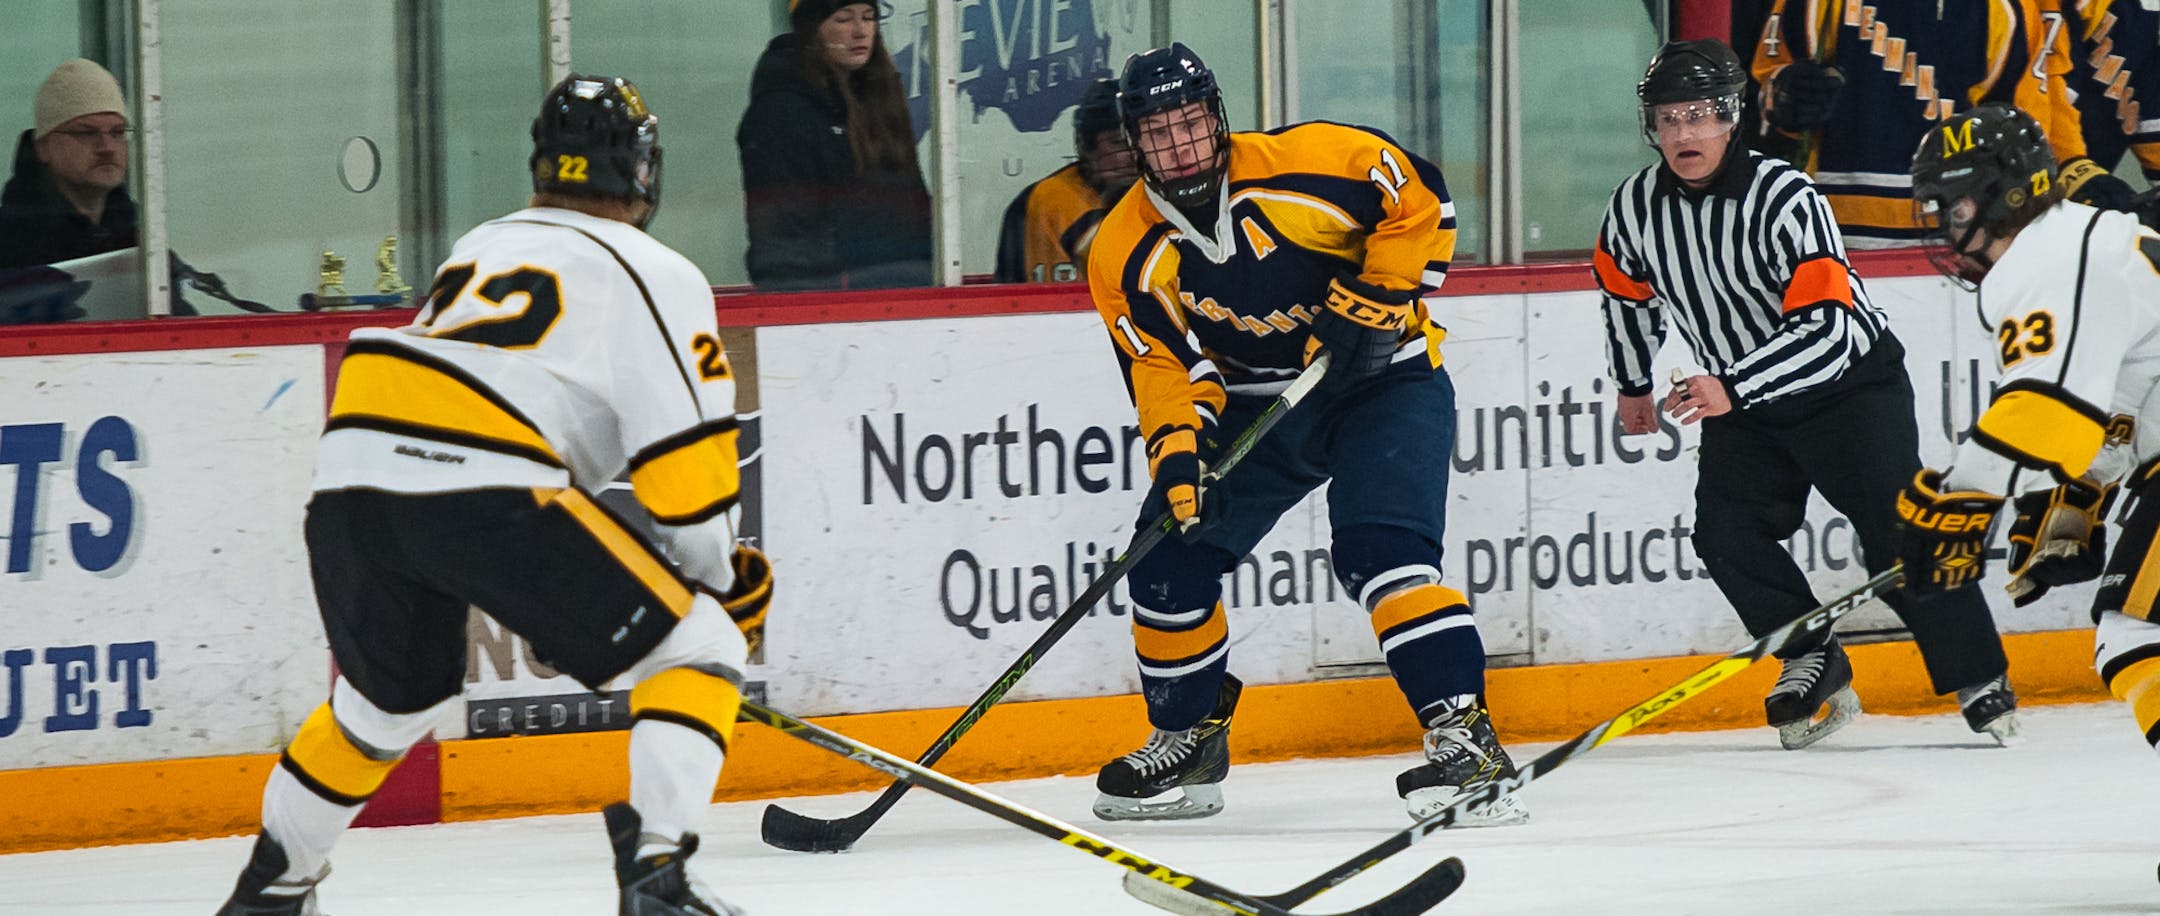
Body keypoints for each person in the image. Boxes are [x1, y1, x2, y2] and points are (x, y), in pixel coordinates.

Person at [215, 74, 770, 916]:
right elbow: (686, 480)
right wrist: (722, 587)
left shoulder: (482, 243)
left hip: (352, 476)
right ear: (645, 172)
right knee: (702, 651)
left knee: (381, 707)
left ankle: (273, 889)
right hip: (482, 479)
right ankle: (661, 878)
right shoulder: (654, 270)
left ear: (544, 164)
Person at [1084, 43, 1525, 827]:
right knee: (1164, 559)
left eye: (1190, 124)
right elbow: (1160, 368)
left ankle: (1466, 739)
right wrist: (1178, 457)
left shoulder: (1310, 162)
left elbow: (1419, 196)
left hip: (1384, 385)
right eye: (1159, 133)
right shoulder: (1124, 247)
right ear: (1134, 143)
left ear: (1217, 119)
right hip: (1261, 406)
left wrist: (1380, 296)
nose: (1180, 146)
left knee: (1382, 556)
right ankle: (1188, 737)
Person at [1593, 40, 2019, 751]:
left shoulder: (1785, 195)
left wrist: (1731, 386)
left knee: (1896, 532)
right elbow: (1626, 297)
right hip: (1748, 400)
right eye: (1668, 119)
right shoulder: (1634, 206)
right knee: (1726, 535)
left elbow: (1828, 328)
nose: (1683, 134)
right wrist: (1633, 384)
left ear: (1732, 118)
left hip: (1847, 387)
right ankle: (1811, 653)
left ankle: (1977, 677)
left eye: (1699, 116)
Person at [1896, 104, 2160, 777]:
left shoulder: (2045, 256)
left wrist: (1962, 500)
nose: (1946, 229)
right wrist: (2073, 505)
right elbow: (2120, 401)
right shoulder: (2088, 240)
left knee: (2138, 637)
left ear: (2001, 193)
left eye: (1951, 207)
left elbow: (2048, 410)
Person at [1747, 1, 2067, 247]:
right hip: (1830, 234)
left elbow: (2027, 136)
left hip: (1954, 245)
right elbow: (1767, 88)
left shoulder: (2002, 9)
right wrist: (1786, 96)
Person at [737, 0, 932, 291]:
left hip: (903, 293)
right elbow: (784, 234)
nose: (860, 31)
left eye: (868, 18)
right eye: (843, 19)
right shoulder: (782, 111)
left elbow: (912, 205)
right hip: (829, 305)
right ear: (812, 29)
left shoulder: (881, 96)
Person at [993, 78, 1138, 284]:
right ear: (1085, 146)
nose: (1132, 154)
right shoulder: (1048, 200)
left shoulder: (1156, 195)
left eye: (1138, 140)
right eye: (1118, 142)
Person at [0, 58, 137, 269]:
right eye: (86, 133)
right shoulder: (10, 245)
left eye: (117, 132)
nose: (107, 147)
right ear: (43, 147)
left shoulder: (141, 233)